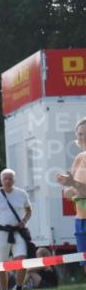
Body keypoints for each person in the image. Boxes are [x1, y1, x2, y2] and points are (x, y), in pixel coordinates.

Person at [57, 117, 86, 275]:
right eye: (80, 134)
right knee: (84, 263)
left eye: (85, 133)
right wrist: (74, 186)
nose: (82, 137)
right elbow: (66, 192)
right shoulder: (79, 158)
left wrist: (74, 185)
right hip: (81, 220)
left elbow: (74, 187)